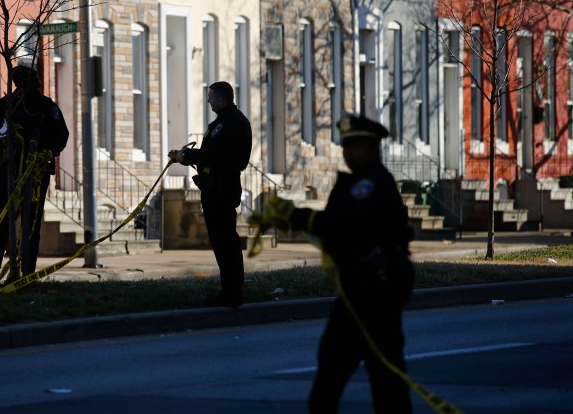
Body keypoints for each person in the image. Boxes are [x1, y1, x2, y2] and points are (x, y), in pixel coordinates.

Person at [254, 113, 414, 413]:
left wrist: (292, 215)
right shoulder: (360, 182)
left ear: (373, 147)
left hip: (375, 296)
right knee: (334, 373)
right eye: (345, 145)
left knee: (382, 382)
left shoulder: (371, 184)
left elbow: (338, 225)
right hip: (358, 294)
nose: (347, 151)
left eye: (355, 145)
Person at [0, 65, 69, 290]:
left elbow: (61, 134)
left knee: (30, 223)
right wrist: (3, 141)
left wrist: (48, 152)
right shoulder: (6, 106)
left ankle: (25, 274)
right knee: (4, 221)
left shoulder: (46, 107)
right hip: (10, 171)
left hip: (36, 173)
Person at [170, 81, 252, 307]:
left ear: (222, 99)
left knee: (226, 241)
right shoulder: (225, 121)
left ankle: (232, 293)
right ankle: (229, 291)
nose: (208, 100)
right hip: (215, 186)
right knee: (221, 241)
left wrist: (188, 155)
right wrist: (188, 157)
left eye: (211, 96)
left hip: (222, 189)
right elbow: (211, 155)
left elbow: (214, 155)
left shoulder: (231, 123)